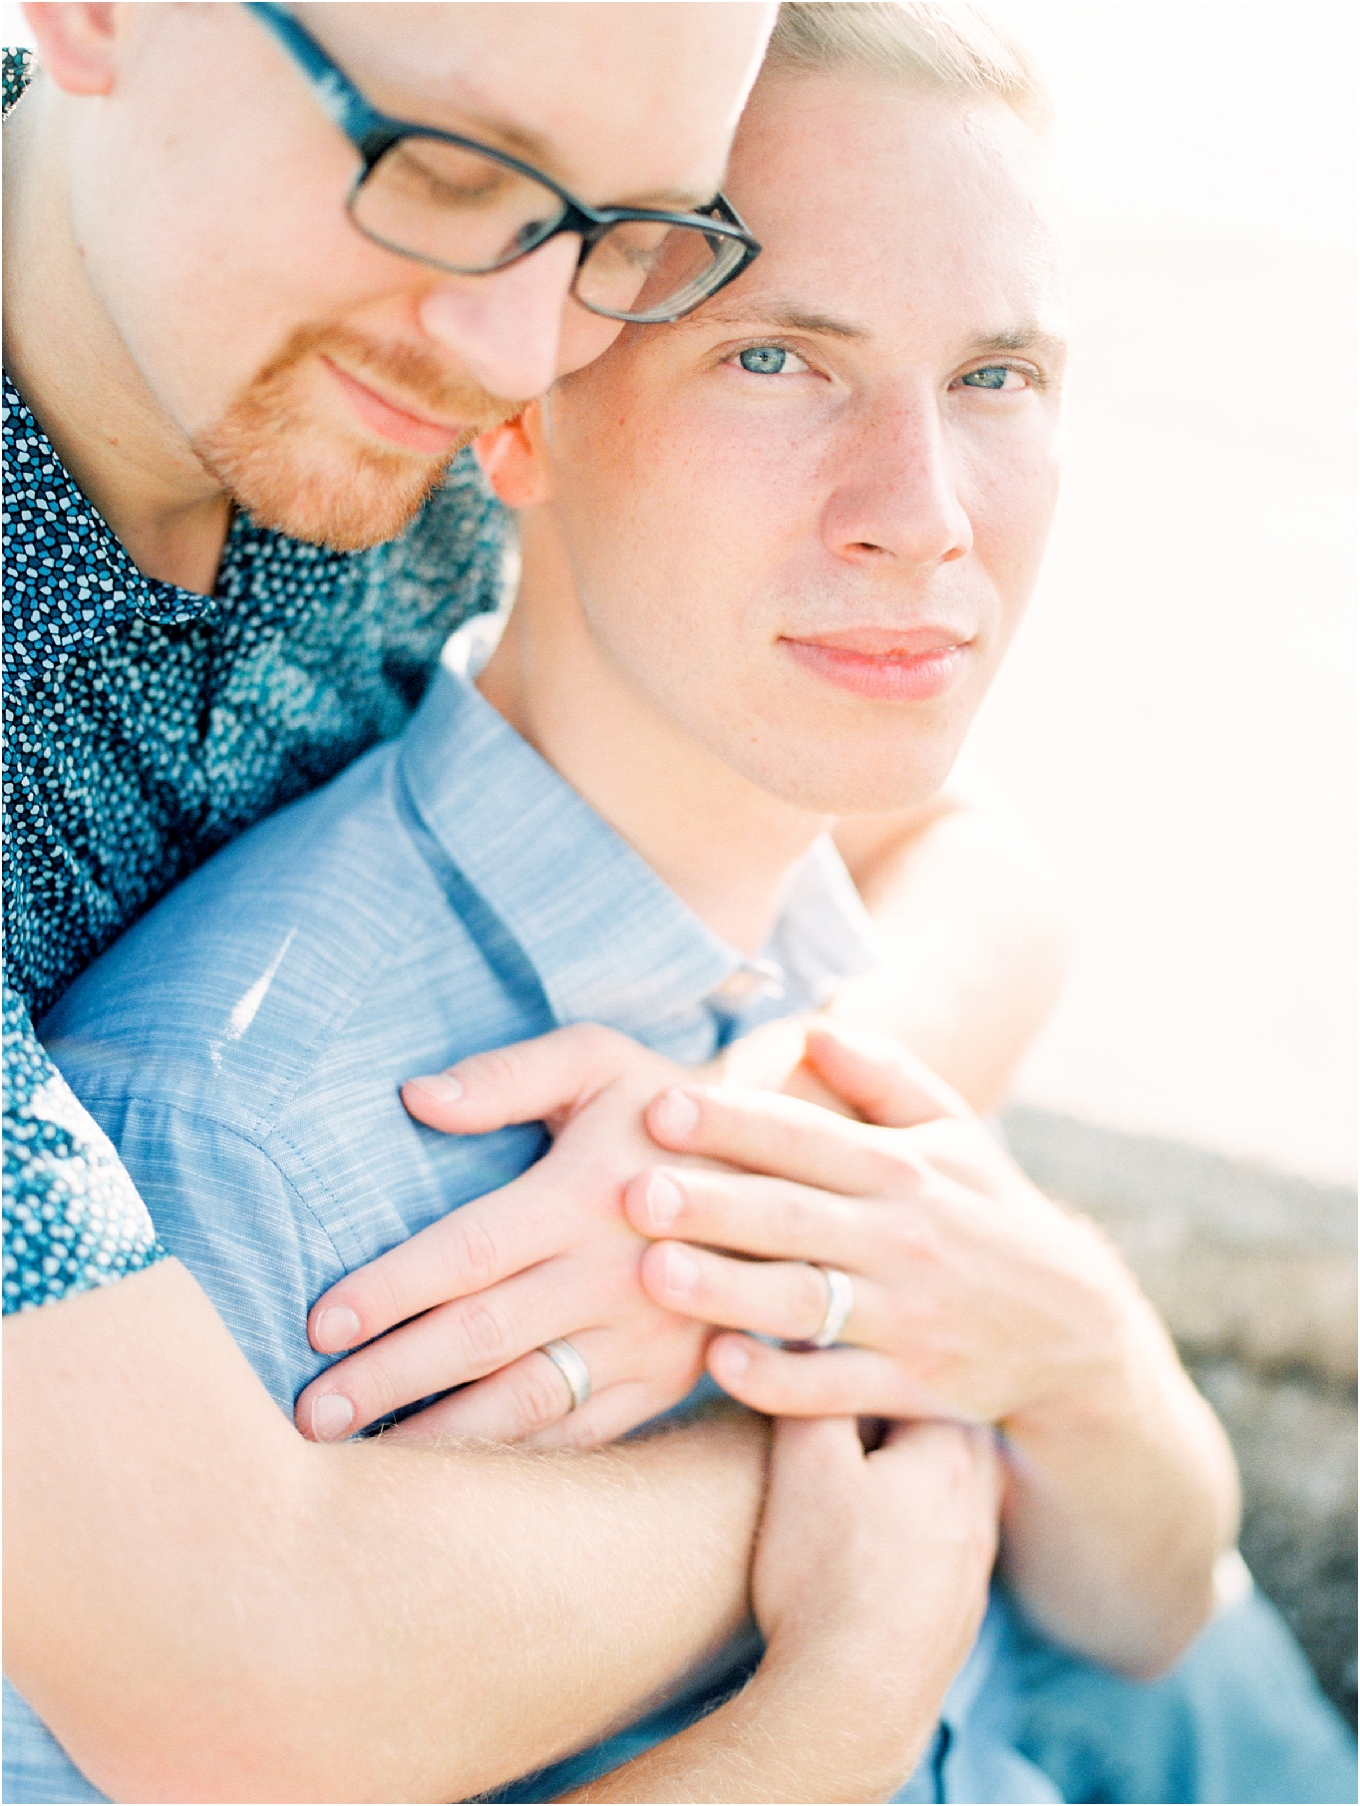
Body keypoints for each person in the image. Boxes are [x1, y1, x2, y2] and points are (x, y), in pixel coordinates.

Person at [28, 6, 1358, 1803]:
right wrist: (850, 1436)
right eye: (442, 174)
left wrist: (817, 1192)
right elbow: (245, 1666)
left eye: (624, 237)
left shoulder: (383, 373)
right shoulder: (238, 1137)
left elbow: (972, 855)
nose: (523, 340)